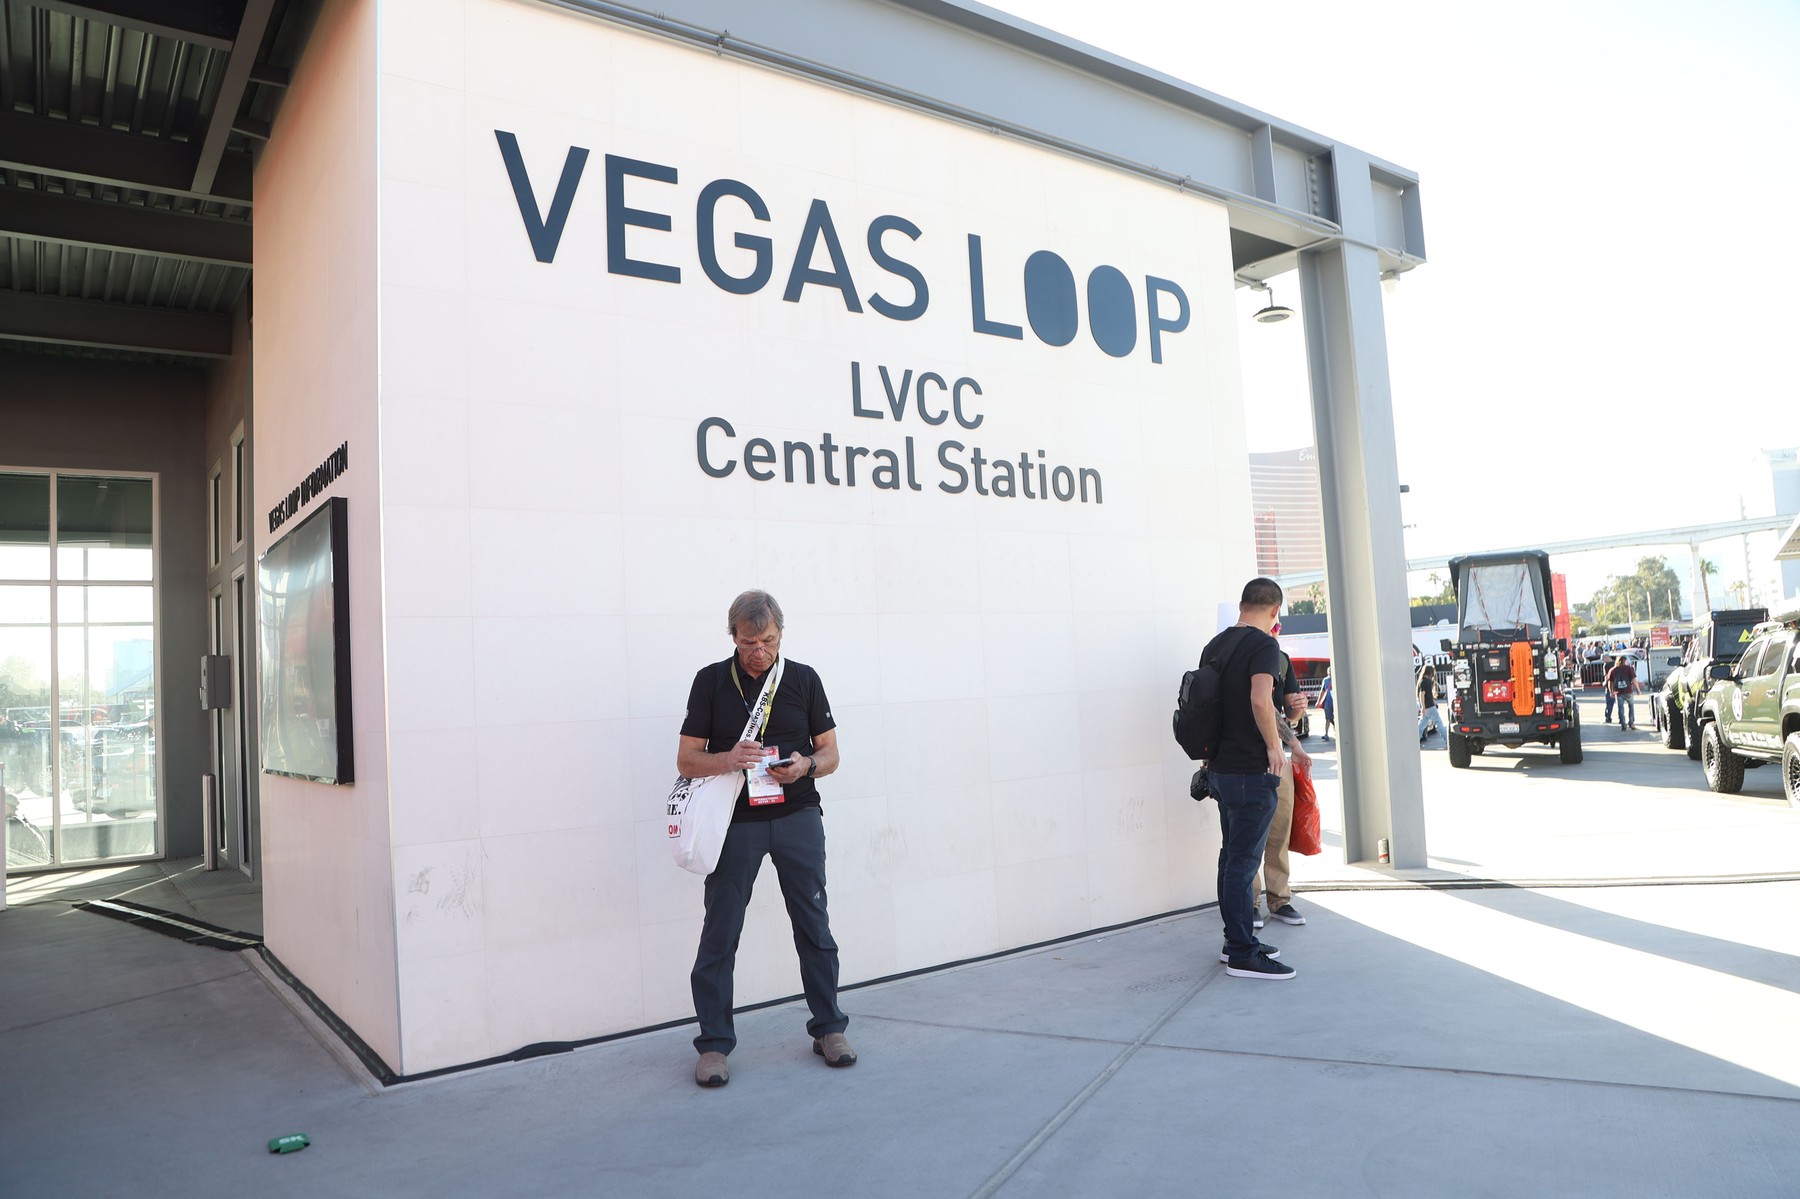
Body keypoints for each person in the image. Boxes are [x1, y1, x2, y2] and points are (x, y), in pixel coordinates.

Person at [677, 590, 851, 1087]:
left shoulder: (802, 678)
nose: (760, 651)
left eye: (768, 640)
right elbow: (688, 760)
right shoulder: (710, 682)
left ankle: (829, 1028)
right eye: (750, 641)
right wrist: (727, 759)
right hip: (735, 825)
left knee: (814, 925)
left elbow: (831, 753)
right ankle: (713, 1044)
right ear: (733, 637)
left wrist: (806, 767)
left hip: (798, 817)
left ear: (781, 634)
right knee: (721, 932)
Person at [1197, 577, 1297, 980]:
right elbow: (1260, 698)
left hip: (1220, 769)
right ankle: (1242, 953)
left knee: (1230, 860)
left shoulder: (1215, 645)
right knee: (1242, 864)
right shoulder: (1264, 645)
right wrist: (1275, 746)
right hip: (1249, 772)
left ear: (1242, 605)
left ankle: (1233, 940)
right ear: (1274, 611)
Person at [1253, 637, 1312, 931]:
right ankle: (1249, 903)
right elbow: (1261, 705)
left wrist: (1298, 709)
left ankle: (1279, 899)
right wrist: (1294, 742)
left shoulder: (1281, 658)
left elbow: (1287, 711)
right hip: (1245, 761)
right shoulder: (1239, 653)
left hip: (1279, 759)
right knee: (1248, 837)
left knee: (1279, 832)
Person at [1606, 654, 1639, 730]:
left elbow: (1610, 682)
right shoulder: (1629, 669)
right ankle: (1631, 722)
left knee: (1620, 708)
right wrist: (1638, 689)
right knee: (1631, 706)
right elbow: (1634, 680)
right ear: (1625, 661)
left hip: (1618, 692)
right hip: (1628, 691)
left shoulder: (1613, 670)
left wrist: (1611, 692)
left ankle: (1623, 724)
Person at [1417, 662, 1446, 744]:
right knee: (1439, 722)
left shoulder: (1422, 681)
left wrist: (1423, 707)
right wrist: (1423, 707)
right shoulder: (1426, 682)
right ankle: (1446, 738)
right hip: (1429, 706)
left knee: (1422, 725)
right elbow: (1422, 695)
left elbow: (1423, 695)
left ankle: (1416, 740)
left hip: (1427, 706)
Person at [1318, 669, 1335, 739]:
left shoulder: (1337, 678)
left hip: (1335, 702)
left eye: (1331, 671)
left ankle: (1336, 728)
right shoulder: (1325, 680)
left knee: (1334, 718)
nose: (1329, 672)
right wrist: (1318, 701)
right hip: (1328, 702)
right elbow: (1322, 691)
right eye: (1329, 671)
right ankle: (1326, 734)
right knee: (1328, 718)